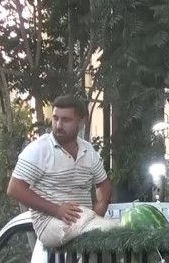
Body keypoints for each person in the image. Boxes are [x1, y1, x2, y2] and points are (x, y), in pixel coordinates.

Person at [7, 94, 117, 248]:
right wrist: (57, 210)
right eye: (55, 118)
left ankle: (79, 262)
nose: (58, 125)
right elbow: (14, 189)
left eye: (66, 120)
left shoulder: (88, 150)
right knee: (114, 230)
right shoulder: (39, 149)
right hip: (50, 222)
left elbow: (104, 186)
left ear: (81, 122)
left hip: (84, 220)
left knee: (101, 254)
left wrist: (99, 211)